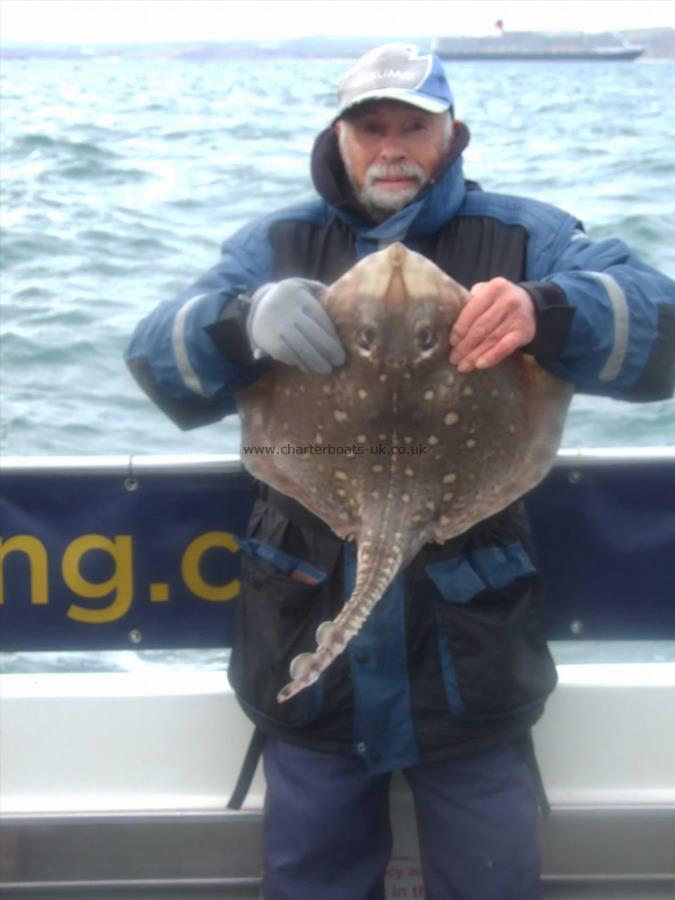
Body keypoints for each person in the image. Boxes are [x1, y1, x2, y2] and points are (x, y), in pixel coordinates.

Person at [126, 44, 675, 900]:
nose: (390, 146)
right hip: (307, 632)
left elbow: (661, 334)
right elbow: (158, 361)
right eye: (368, 127)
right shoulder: (275, 244)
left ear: (451, 135)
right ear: (338, 138)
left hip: (471, 644)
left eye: (412, 127)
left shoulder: (526, 238)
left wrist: (545, 309)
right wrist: (240, 323)